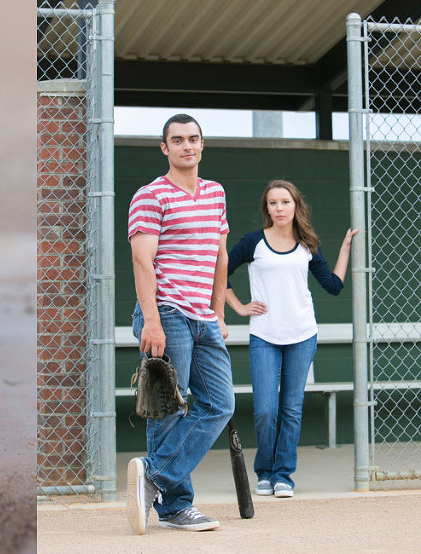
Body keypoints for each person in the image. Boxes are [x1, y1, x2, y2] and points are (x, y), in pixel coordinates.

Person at [126, 114, 234, 534]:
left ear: (202, 145)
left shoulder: (216, 193)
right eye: (178, 140)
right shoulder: (151, 195)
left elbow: (220, 257)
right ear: (164, 148)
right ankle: (176, 507)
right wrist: (151, 320)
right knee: (168, 410)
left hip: (204, 318)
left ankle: (152, 475)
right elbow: (142, 260)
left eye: (194, 139)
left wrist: (219, 313)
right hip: (167, 312)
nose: (187, 145)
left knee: (219, 404)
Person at [225, 179, 357, 498]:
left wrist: (345, 249)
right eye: (273, 203)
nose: (279, 208)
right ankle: (265, 472)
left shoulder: (307, 244)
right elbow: (220, 273)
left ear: (295, 205)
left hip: (302, 334)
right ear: (266, 208)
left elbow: (333, 285)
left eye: (285, 202)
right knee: (266, 410)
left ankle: (283, 474)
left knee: (291, 408)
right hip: (264, 336)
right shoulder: (253, 242)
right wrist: (239, 306)